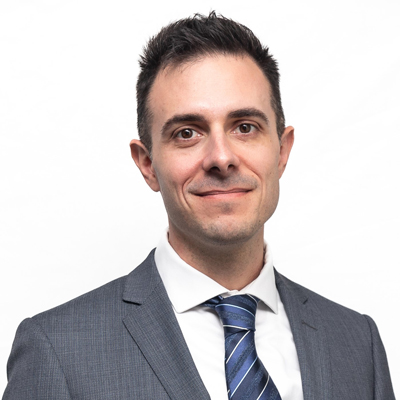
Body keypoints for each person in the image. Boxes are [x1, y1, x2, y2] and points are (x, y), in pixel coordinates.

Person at [2, 12, 395, 400]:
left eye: (245, 127)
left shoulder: (358, 343)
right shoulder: (57, 349)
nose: (221, 158)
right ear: (147, 164)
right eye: (187, 133)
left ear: (282, 151)